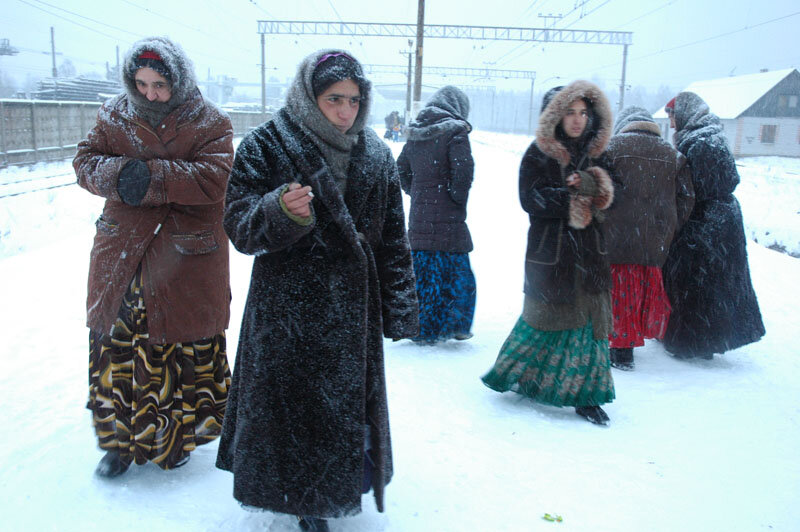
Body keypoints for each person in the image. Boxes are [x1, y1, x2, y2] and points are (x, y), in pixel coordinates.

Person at [215, 50, 419, 532]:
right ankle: (305, 499)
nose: (346, 110)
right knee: (294, 412)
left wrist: (401, 307)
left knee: (341, 411)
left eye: (353, 99)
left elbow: (393, 238)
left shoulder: (376, 154)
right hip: (288, 309)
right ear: (310, 96)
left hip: (352, 312)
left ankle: (330, 489)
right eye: (334, 99)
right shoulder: (267, 144)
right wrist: (278, 213)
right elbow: (239, 227)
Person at [73, 36, 234, 478]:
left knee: (177, 346)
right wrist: (121, 175)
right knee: (117, 347)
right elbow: (85, 161)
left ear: (178, 80)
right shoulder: (114, 115)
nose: (149, 94)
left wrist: (151, 178)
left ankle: (175, 438)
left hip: (185, 256)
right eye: (141, 83)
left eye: (159, 84)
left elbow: (215, 180)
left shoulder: (212, 123)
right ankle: (118, 443)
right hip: (122, 251)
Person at [481, 80, 616, 426]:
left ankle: (587, 396)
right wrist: (572, 199)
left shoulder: (600, 154)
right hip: (552, 253)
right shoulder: (538, 154)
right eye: (569, 112)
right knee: (544, 321)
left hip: (590, 255)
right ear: (554, 116)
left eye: (583, 113)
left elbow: (615, 197)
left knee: (588, 328)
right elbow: (531, 199)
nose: (577, 120)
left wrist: (589, 187)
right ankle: (522, 377)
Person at [661, 92, 765, 359]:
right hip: (723, 219)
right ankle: (712, 340)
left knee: (694, 281)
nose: (670, 121)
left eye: (672, 114)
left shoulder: (698, 142)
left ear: (683, 114)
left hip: (704, 221)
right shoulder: (711, 136)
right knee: (719, 283)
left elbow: (697, 186)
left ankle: (691, 343)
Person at [602, 106, 695, 370]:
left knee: (617, 294)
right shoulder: (674, 156)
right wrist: (670, 226)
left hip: (615, 238)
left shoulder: (611, 149)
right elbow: (686, 198)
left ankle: (619, 349)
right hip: (653, 242)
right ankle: (630, 343)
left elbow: (598, 191)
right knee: (639, 294)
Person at [397, 85, 476, 344]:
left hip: (420, 215)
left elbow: (401, 170)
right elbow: (463, 172)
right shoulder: (456, 131)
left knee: (423, 271)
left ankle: (423, 327)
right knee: (456, 271)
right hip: (449, 217)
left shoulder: (416, 133)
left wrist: (417, 193)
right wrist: (455, 198)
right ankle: (455, 324)